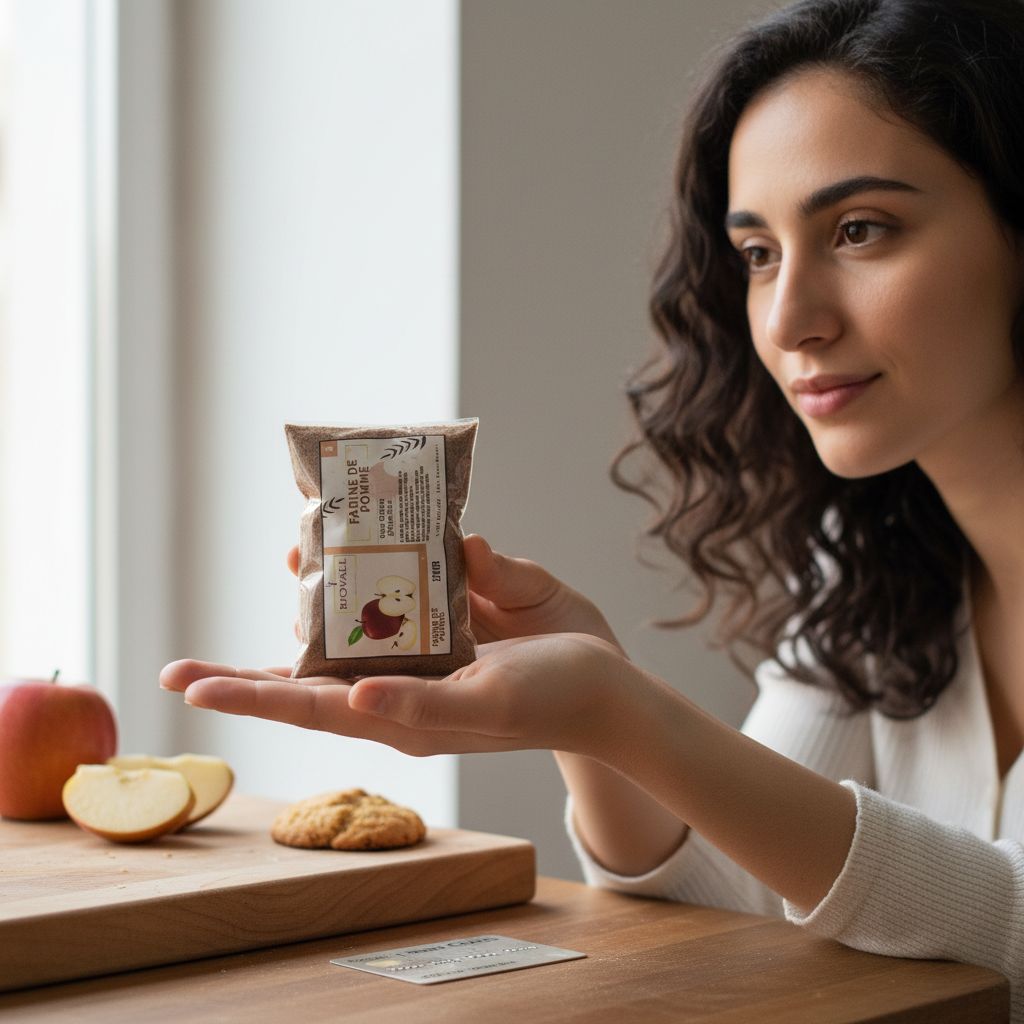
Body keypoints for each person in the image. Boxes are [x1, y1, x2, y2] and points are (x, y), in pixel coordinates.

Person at [161, 0, 1024, 1016]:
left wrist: (626, 712)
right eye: (757, 253)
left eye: (860, 230)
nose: (789, 317)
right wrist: (594, 720)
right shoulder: (872, 559)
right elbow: (750, 889)